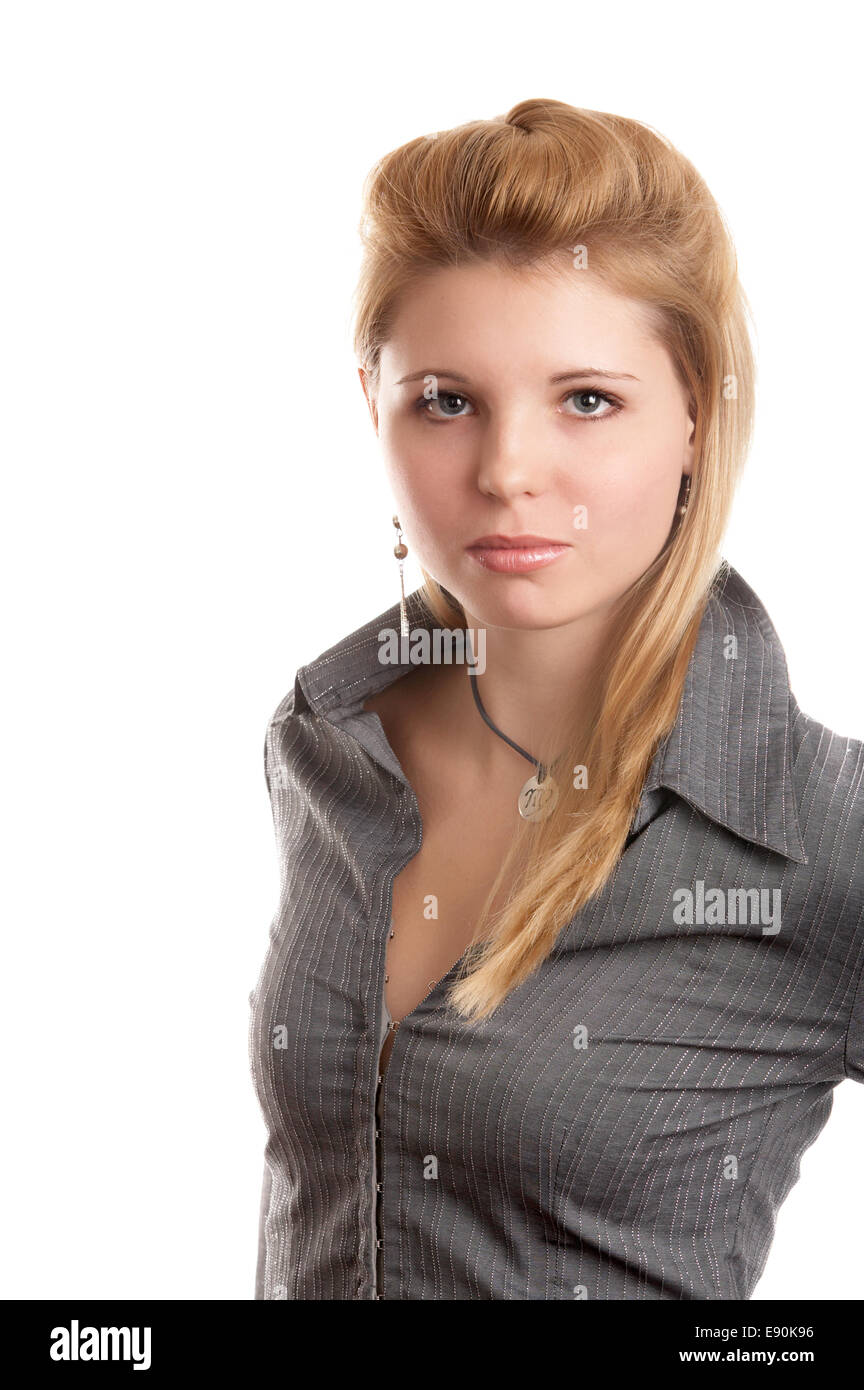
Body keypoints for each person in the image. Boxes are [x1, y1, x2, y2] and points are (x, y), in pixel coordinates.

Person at [248, 98, 864, 1300]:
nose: (507, 472)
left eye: (587, 398)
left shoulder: (815, 832)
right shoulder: (324, 742)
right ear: (366, 402)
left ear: (697, 416)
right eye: (445, 399)